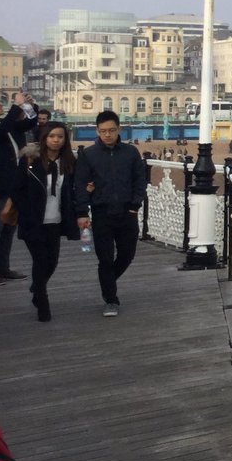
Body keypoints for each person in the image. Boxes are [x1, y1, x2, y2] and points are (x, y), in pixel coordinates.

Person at [75, 111, 147, 317]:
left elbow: (139, 180)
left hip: (128, 212)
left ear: (119, 130)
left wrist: (135, 205)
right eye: (103, 131)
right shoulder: (88, 155)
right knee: (105, 258)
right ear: (97, 131)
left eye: (112, 130)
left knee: (127, 255)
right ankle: (111, 299)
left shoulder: (131, 153)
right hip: (102, 213)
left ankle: (107, 281)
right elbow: (81, 185)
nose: (108, 135)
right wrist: (82, 212)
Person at [15, 121, 79, 321]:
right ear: (44, 138)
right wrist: (27, 210)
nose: (56, 140)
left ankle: (37, 287)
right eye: (52, 136)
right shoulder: (30, 159)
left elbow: (72, 189)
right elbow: (17, 189)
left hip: (55, 221)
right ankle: (42, 304)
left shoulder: (68, 162)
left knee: (52, 262)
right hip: (33, 221)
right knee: (41, 261)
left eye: (60, 136)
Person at [0, 91, 40, 281]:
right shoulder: (4, 127)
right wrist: (16, 106)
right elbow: (5, 127)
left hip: (14, 185)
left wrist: (30, 107)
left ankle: (3, 268)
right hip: (0, 187)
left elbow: (30, 123)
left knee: (8, 227)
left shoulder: (9, 126)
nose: (1, 106)